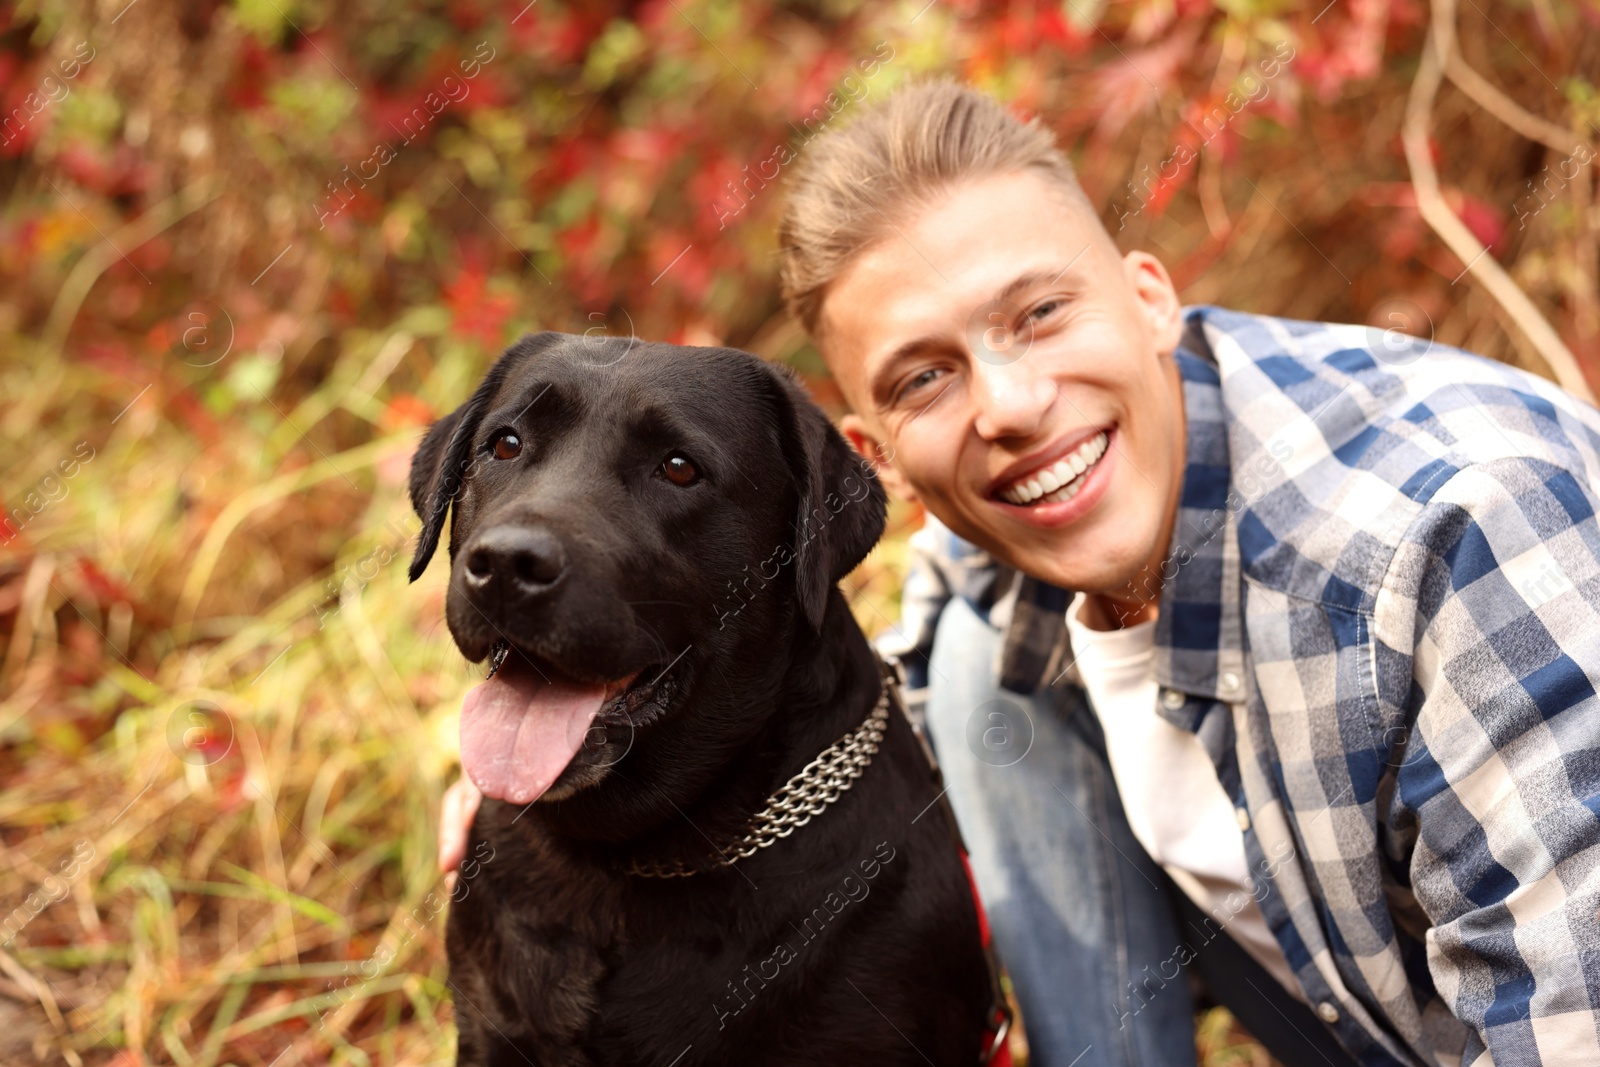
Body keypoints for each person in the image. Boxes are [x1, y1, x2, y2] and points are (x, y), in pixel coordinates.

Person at [438, 79, 1600, 1066]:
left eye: (1039, 313)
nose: (1010, 407)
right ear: (877, 452)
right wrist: (570, 732)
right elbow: (846, 713)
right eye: (924, 377)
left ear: (1150, 294)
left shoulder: (1471, 535)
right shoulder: (1007, 533)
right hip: (1343, 995)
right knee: (977, 668)